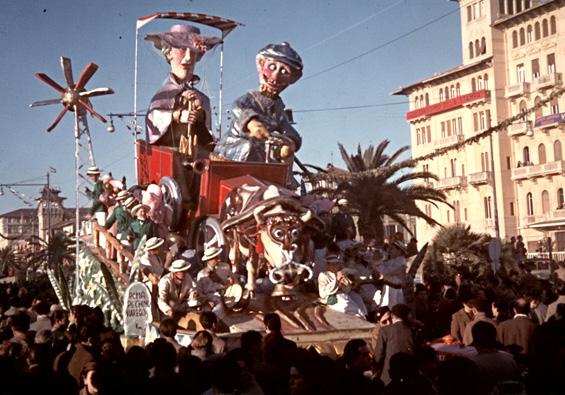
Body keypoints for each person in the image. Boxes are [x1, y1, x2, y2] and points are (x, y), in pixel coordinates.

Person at [213, 42, 303, 163]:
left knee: (275, 162)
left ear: (291, 79)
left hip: (260, 157)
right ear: (261, 64)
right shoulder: (251, 99)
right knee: (248, 147)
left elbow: (289, 129)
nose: (276, 76)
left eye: (284, 72)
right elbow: (238, 107)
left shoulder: (278, 110)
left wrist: (290, 142)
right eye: (272, 67)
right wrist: (251, 123)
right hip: (234, 150)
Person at [145, 24, 220, 154]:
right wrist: (177, 115)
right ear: (168, 54)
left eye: (193, 52)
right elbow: (154, 124)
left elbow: (206, 136)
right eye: (182, 50)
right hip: (169, 154)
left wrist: (200, 113)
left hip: (197, 154)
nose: (188, 58)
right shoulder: (163, 95)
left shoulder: (203, 99)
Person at [373, 304, 416, 385]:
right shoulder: (412, 330)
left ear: (393, 316)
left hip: (389, 376)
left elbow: (378, 355)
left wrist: (376, 369)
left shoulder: (385, 330)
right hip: (408, 375)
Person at [196, 246, 233, 321]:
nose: (218, 259)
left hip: (225, 292)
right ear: (208, 260)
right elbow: (199, 292)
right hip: (209, 296)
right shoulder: (202, 274)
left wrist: (231, 280)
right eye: (214, 258)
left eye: (217, 257)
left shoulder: (226, 267)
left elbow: (232, 279)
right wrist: (207, 301)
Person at [372, 240, 407, 308]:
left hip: (394, 290)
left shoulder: (400, 262)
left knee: (392, 310)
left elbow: (385, 271)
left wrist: (378, 261)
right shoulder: (393, 260)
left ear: (399, 251)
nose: (389, 250)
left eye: (392, 249)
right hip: (389, 289)